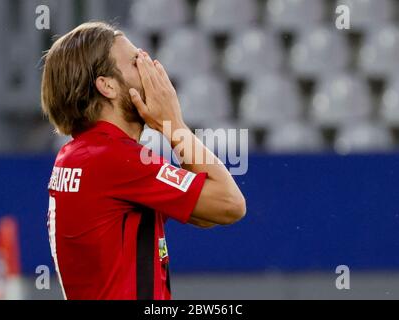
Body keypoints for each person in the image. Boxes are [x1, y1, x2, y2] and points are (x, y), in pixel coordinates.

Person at [41, 22, 246, 300]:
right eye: (136, 60)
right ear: (107, 85)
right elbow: (230, 204)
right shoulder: (114, 159)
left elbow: (206, 215)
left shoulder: (78, 154)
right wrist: (174, 125)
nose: (150, 66)